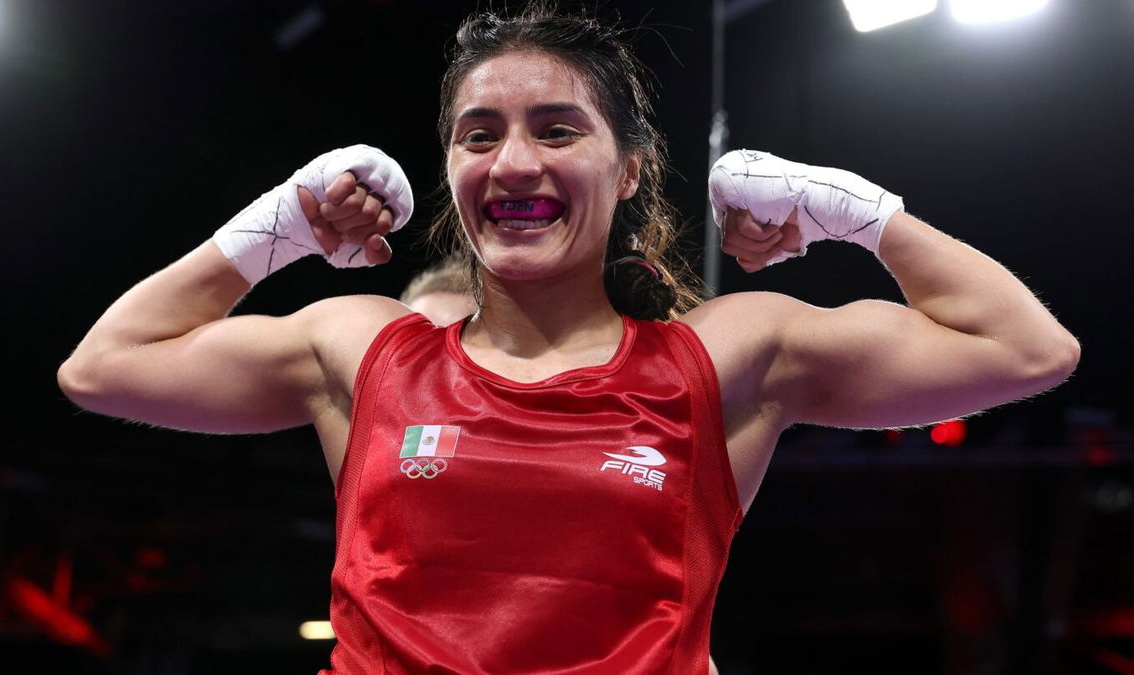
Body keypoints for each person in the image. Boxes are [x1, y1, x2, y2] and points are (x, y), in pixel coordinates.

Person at [57, 4, 1079, 673]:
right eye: (479, 134)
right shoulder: (369, 348)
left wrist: (839, 204)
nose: (512, 163)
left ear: (630, 169)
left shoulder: (718, 359)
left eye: (556, 129)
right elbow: (103, 369)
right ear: (451, 171)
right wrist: (282, 224)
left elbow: (1024, 348)